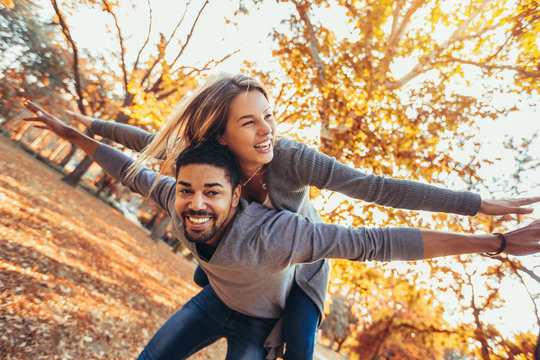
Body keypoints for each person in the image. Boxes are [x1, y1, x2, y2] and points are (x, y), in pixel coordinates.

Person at [62, 73, 539, 359]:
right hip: (247, 258)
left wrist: (475, 207)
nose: (268, 130)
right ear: (222, 135)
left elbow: (377, 191)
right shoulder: (204, 162)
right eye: (250, 121)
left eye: (269, 115)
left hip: (305, 262)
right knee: (213, 265)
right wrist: (83, 126)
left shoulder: (289, 159)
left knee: (299, 351)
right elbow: (142, 148)